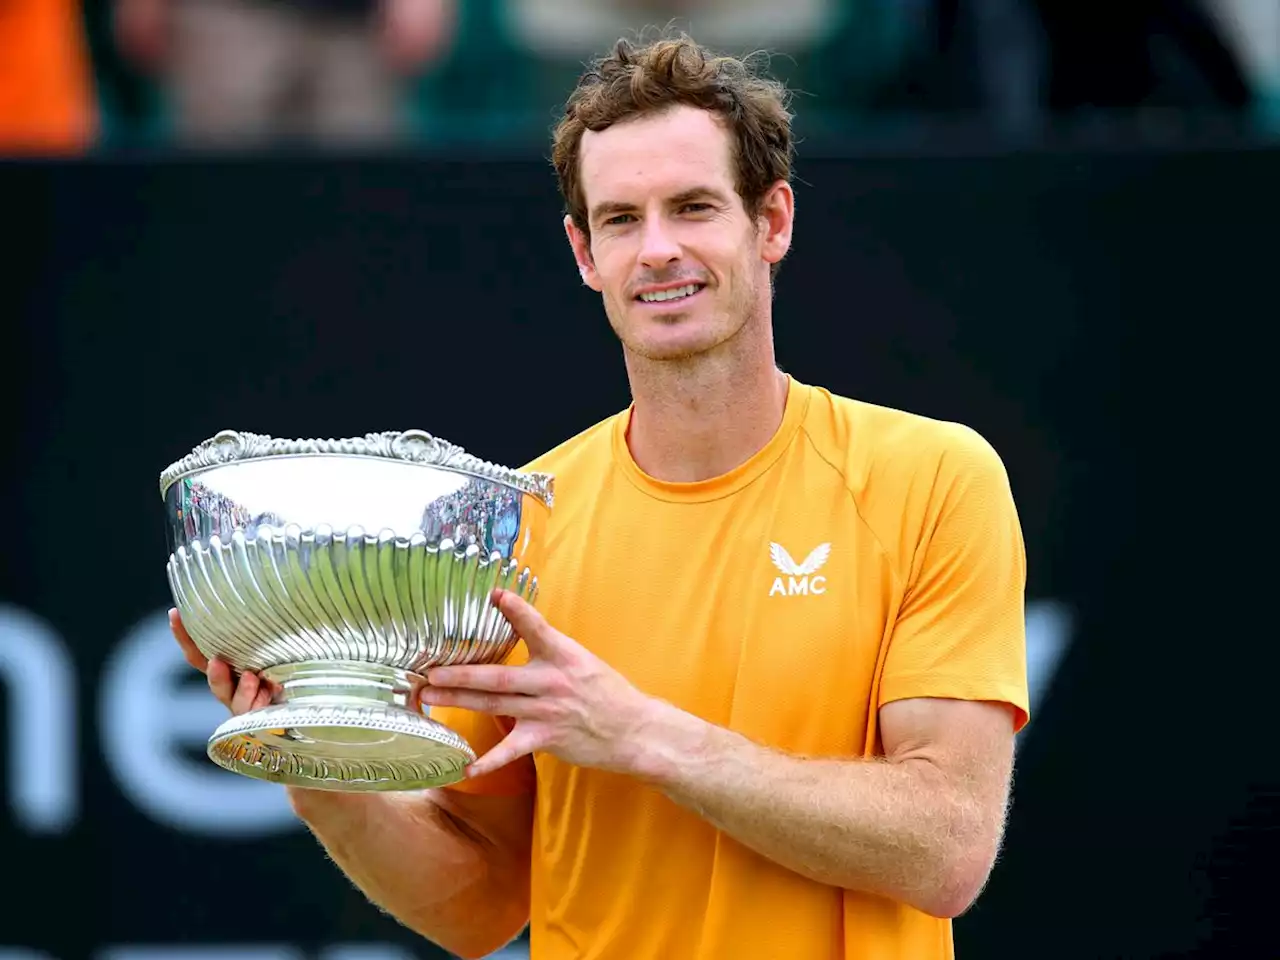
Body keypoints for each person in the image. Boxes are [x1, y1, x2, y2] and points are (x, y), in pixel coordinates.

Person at [170, 32, 1029, 960]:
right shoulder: (521, 523)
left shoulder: (932, 478)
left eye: (693, 208)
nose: (658, 251)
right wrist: (316, 768)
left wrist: (642, 735)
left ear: (772, 222)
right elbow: (478, 904)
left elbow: (947, 846)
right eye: (621, 220)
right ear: (583, 252)